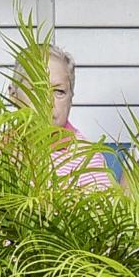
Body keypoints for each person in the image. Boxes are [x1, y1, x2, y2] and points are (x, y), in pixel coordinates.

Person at [44, 44, 116, 190]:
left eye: (59, 91)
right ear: (13, 94)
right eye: (35, 89)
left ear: (71, 99)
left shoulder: (87, 161)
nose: (47, 101)